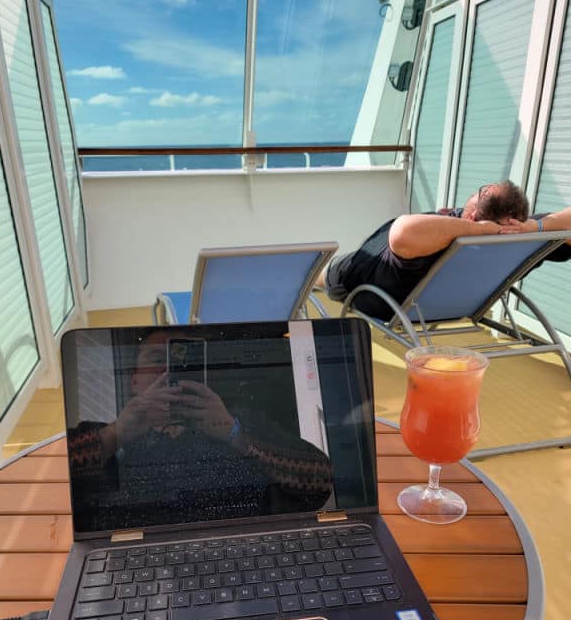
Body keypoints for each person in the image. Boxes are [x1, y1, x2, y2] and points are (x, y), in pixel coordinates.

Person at [68, 329, 333, 529]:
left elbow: (320, 481)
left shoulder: (241, 422)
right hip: (146, 556)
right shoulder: (112, 437)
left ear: (201, 373)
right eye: (157, 358)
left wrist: (235, 435)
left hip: (244, 544)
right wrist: (117, 433)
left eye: (183, 361)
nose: (167, 369)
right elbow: (68, 480)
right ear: (135, 381)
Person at [318, 181, 571, 320]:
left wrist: (481, 230)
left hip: (374, 291)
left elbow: (402, 231)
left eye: (480, 190)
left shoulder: (439, 241)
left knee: (321, 273)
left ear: (471, 215)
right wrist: (536, 226)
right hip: (450, 304)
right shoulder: (521, 239)